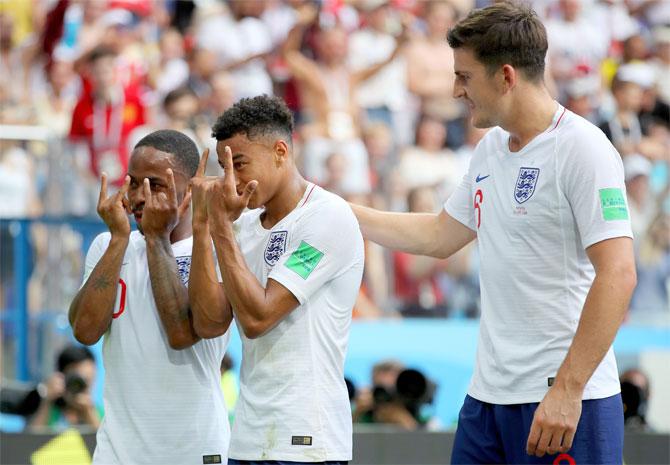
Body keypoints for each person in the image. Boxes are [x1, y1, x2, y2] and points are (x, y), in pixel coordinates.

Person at [350, 3, 636, 464]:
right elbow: (439, 236)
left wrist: (568, 389)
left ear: (505, 76)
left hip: (562, 402)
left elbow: (619, 274)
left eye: (464, 76)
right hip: (487, 400)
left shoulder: (584, 149)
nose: (455, 90)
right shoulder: (490, 151)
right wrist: (339, 211)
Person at [188, 95, 364, 464]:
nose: (230, 181)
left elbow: (257, 318)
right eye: (223, 167)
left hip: (307, 440)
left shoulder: (326, 217)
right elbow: (208, 322)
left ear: (280, 152)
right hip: (249, 437)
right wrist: (203, 225)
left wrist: (219, 225)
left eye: (240, 164)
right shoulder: (244, 225)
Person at [68, 129, 231, 465]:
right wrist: (117, 241)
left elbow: (181, 334)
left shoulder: (213, 252)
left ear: (191, 190)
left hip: (195, 451)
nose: (140, 196)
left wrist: (157, 239)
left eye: (156, 185)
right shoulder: (108, 244)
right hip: (118, 453)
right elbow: (85, 331)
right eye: (133, 182)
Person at [28, 344, 101, 431]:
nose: (84, 387)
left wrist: (89, 414)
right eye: (77, 380)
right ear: (61, 377)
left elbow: (105, 442)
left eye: (89, 380)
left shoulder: (101, 413)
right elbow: (32, 439)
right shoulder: (49, 409)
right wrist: (47, 402)